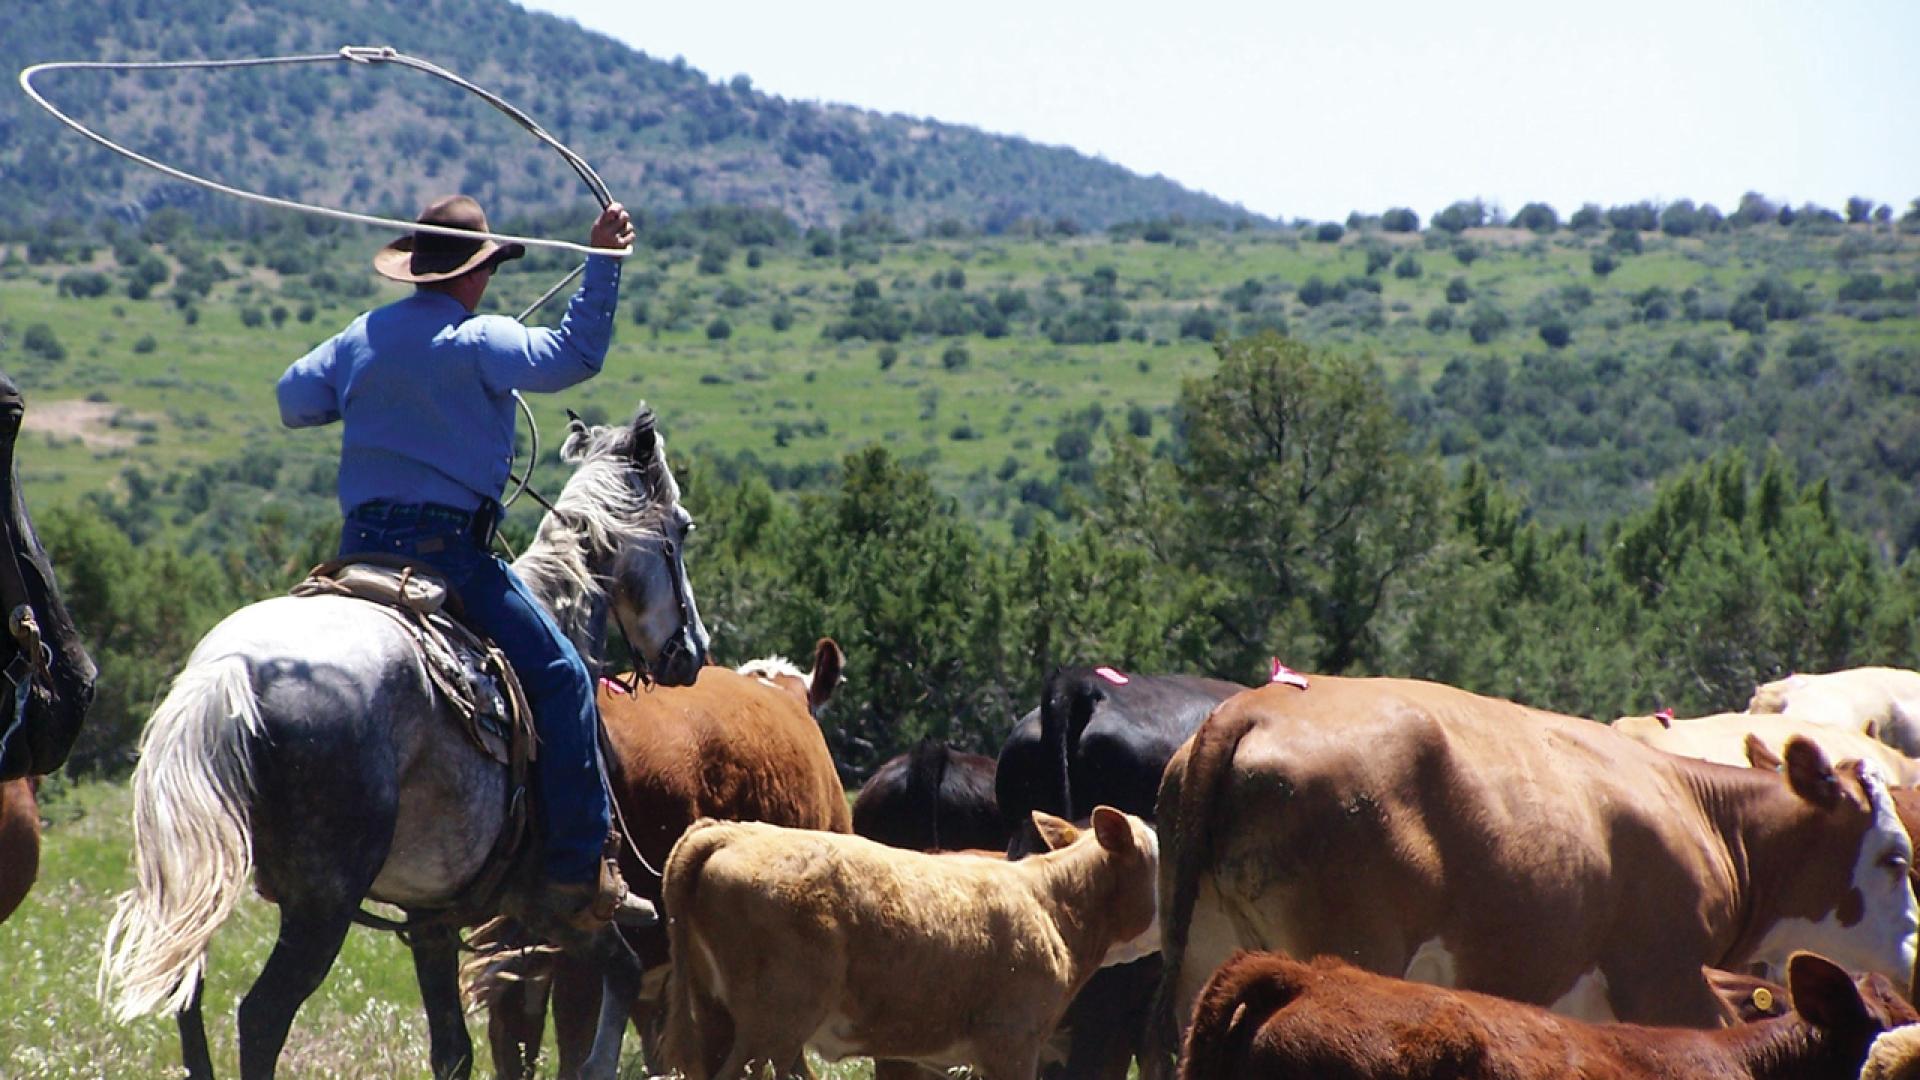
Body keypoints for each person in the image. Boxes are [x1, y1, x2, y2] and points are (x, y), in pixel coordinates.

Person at [277, 193, 649, 931]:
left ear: (418, 269)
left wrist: (374, 388)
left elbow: (294, 399)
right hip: (449, 553)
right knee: (564, 678)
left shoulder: (361, 336)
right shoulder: (482, 339)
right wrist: (604, 260)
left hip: (359, 547)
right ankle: (579, 872)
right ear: (476, 273)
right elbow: (576, 355)